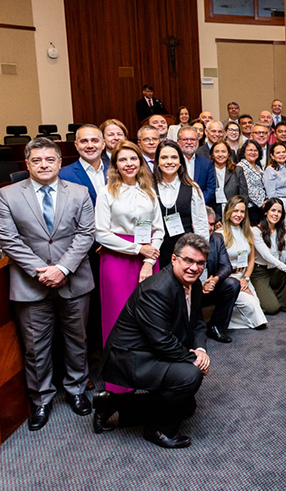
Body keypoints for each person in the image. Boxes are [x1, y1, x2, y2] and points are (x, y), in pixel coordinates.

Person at [0, 138, 95, 431]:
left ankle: (77, 390)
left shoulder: (79, 192)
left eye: (49, 159)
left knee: (77, 340)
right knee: (36, 347)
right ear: (27, 164)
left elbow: (86, 233)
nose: (43, 165)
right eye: (36, 160)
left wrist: (62, 268)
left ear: (59, 162)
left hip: (74, 279)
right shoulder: (8, 195)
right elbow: (8, 239)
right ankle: (41, 399)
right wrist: (42, 272)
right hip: (30, 282)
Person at [94, 234, 211, 449]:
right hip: (131, 356)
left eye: (200, 263)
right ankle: (158, 430)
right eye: (188, 260)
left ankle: (111, 404)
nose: (194, 268)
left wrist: (201, 349)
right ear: (174, 259)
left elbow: (197, 323)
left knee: (187, 407)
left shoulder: (193, 284)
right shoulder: (157, 289)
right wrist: (193, 359)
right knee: (189, 376)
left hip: (154, 350)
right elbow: (162, 341)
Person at [95, 140, 164, 392]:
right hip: (116, 260)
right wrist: (137, 249)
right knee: (119, 318)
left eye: (133, 159)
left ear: (141, 162)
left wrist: (148, 260)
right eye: (122, 160)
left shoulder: (149, 191)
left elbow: (159, 229)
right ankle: (119, 383)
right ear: (115, 164)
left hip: (148, 260)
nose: (129, 164)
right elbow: (101, 233)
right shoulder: (106, 192)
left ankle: (148, 375)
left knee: (149, 317)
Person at [59, 125, 109, 350]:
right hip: (82, 252)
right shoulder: (65, 174)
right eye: (84, 141)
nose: (90, 145)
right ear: (76, 145)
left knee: (109, 302)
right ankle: (87, 358)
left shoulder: (115, 170)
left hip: (114, 248)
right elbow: (65, 217)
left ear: (103, 143)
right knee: (85, 308)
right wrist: (96, 241)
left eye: (95, 140)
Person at [152, 141, 209, 267]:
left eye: (174, 157)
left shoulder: (193, 188)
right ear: (157, 161)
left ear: (180, 161)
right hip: (156, 252)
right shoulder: (148, 187)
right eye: (164, 157)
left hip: (185, 254)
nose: (169, 161)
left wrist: (199, 254)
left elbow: (201, 224)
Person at [219, 196, 267, 330]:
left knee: (256, 307)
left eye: (242, 212)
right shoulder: (220, 235)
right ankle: (224, 318)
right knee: (253, 308)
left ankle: (229, 313)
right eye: (235, 211)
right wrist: (235, 282)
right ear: (228, 211)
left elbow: (251, 259)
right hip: (228, 279)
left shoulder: (248, 232)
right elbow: (217, 266)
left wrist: (246, 279)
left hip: (243, 277)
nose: (238, 215)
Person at [251, 198, 286, 314]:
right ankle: (261, 299)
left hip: (275, 271)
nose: (276, 214)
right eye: (273, 210)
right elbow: (267, 256)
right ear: (265, 212)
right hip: (260, 272)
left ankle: (281, 302)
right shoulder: (256, 231)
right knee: (272, 309)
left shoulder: (283, 230)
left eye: (279, 212)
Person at [202, 207, 239, 343]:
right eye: (206, 223)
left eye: (212, 224)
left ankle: (216, 327)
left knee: (233, 284)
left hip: (211, 286)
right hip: (191, 287)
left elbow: (226, 266)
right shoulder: (188, 239)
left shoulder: (217, 238)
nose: (210, 228)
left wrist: (214, 280)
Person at [177, 127, 217, 206]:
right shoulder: (172, 162)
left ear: (197, 142)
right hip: (178, 207)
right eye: (185, 139)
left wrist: (198, 203)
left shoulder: (206, 163)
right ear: (178, 142)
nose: (189, 142)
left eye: (193, 139)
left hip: (201, 207)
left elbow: (210, 189)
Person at [211, 139, 248, 222]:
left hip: (235, 215)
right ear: (212, 154)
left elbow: (244, 196)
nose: (220, 155)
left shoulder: (237, 170)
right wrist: (216, 219)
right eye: (217, 151)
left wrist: (237, 214)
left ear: (228, 154)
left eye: (223, 151)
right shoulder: (207, 171)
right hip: (214, 216)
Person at [237, 139, 267, 225]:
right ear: (244, 152)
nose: (253, 152)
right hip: (251, 208)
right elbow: (248, 188)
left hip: (261, 207)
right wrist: (262, 203)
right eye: (250, 150)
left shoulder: (257, 166)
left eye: (255, 150)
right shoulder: (241, 166)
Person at [263, 143, 286, 227]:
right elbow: (270, 191)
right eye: (278, 153)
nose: (282, 155)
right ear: (272, 156)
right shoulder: (270, 170)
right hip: (279, 201)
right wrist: (276, 205)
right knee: (278, 227)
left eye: (283, 152)